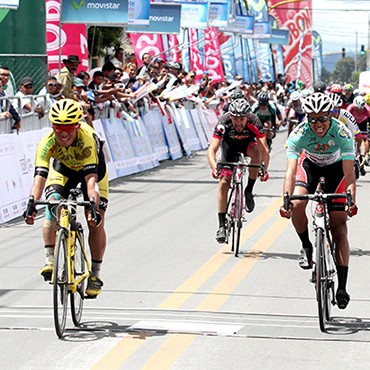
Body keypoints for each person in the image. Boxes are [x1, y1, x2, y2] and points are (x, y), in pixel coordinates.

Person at [280, 92, 357, 309]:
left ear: (331, 115)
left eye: (323, 118)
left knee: (339, 227)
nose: (318, 124)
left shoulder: (342, 133)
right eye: (312, 119)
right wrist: (285, 199)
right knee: (296, 205)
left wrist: (351, 199)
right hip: (310, 168)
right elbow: (290, 171)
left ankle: (342, 287)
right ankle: (306, 247)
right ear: (306, 118)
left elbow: (349, 174)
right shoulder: (298, 133)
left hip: (337, 171)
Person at [24, 99, 108, 296]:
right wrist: (31, 204)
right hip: (64, 171)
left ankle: (95, 274)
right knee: (52, 202)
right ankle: (50, 260)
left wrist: (93, 205)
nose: (63, 133)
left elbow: (91, 182)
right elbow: (39, 179)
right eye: (58, 127)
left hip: (93, 173)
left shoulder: (87, 139)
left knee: (95, 220)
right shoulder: (47, 143)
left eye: (69, 128)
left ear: (77, 126)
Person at [207, 98, 270, 243]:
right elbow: (212, 148)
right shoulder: (224, 122)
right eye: (235, 119)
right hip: (229, 147)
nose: (239, 123)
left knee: (256, 154)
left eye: (242, 119)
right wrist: (214, 167)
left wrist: (264, 169)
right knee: (224, 183)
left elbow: (264, 150)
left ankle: (248, 190)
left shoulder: (255, 122)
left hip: (248, 144)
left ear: (248, 117)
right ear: (230, 117)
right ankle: (222, 225)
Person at [347, 96, 370, 164]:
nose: (359, 110)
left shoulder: (367, 109)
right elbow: (345, 119)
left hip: (363, 122)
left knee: (365, 138)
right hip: (353, 122)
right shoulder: (350, 108)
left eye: (361, 109)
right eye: (357, 108)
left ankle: (364, 155)